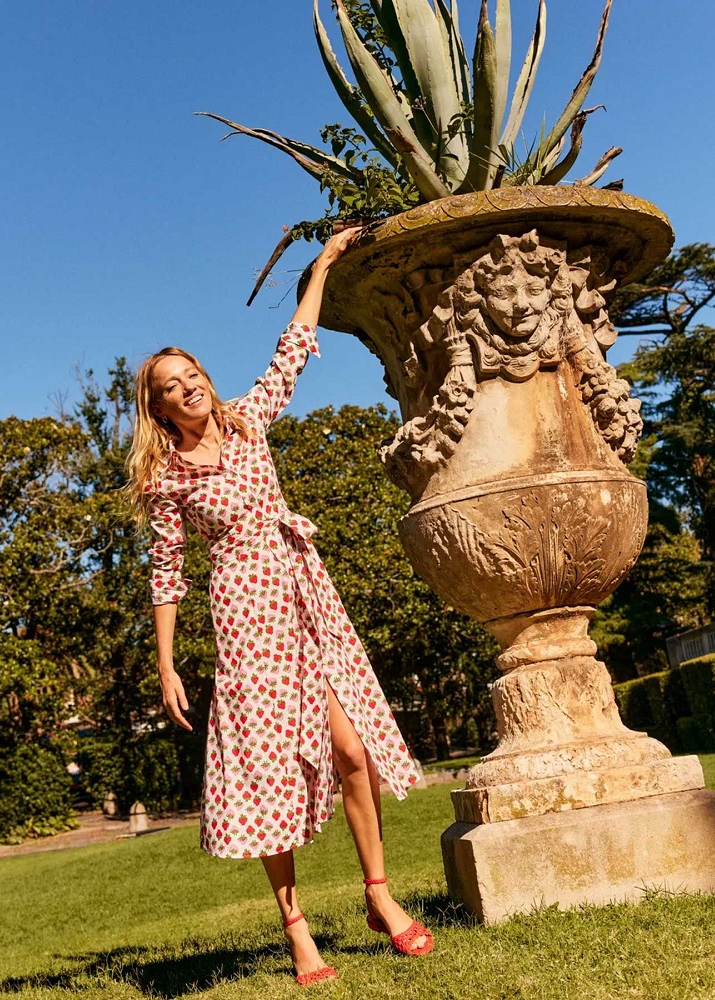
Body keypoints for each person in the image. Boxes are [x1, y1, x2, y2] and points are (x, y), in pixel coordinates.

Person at [127, 229, 433, 986]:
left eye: (191, 372)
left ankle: (379, 898)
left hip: (306, 595)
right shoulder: (166, 480)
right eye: (171, 383)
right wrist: (165, 662)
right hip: (245, 618)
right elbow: (168, 571)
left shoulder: (247, 420)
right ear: (158, 407)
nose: (188, 385)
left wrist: (323, 264)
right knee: (267, 776)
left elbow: (292, 349)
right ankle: (296, 930)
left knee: (353, 751)